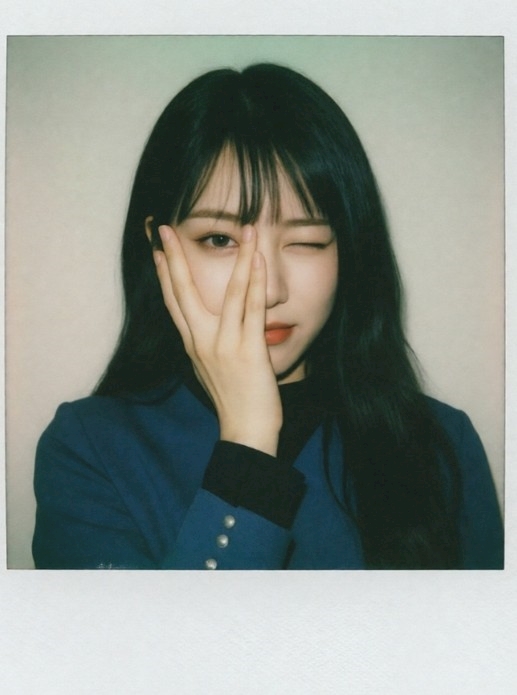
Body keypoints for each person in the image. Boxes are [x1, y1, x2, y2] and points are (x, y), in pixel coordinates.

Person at [32, 63, 503, 570]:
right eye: (220, 240)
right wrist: (248, 442)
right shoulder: (88, 449)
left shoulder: (441, 445)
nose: (269, 291)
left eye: (307, 241)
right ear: (158, 248)